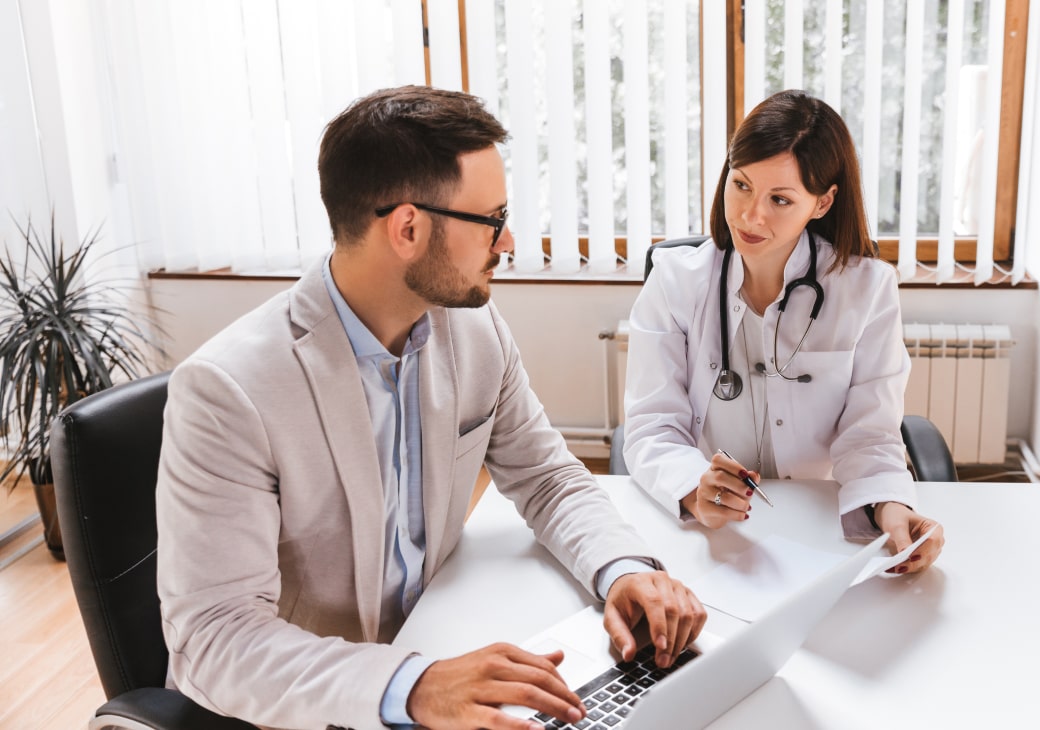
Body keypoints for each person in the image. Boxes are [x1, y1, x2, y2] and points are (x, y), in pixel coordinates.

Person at [156, 86, 706, 730]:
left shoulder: (473, 329)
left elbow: (547, 477)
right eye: (493, 220)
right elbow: (216, 641)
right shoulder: (229, 391)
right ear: (409, 228)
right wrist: (414, 685)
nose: (508, 241)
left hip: (443, 644)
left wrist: (621, 569)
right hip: (320, 703)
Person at [623, 89, 945, 570]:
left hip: (818, 528)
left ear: (822, 203)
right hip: (713, 536)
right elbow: (653, 426)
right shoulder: (675, 282)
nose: (752, 216)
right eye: (742, 185)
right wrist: (692, 486)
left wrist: (889, 506)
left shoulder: (867, 290)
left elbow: (870, 436)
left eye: (780, 199)